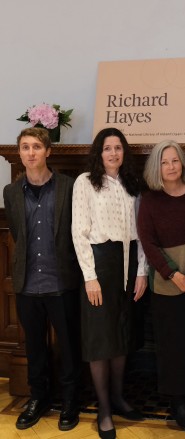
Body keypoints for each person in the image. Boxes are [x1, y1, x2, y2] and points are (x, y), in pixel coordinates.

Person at [3, 127, 82, 431]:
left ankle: (71, 401)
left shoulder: (68, 187)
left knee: (69, 346)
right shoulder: (11, 192)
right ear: (20, 153)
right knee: (34, 347)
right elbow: (16, 233)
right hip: (27, 284)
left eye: (37, 147)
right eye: (25, 147)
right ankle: (39, 398)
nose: (31, 153)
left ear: (48, 151)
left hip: (61, 282)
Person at [72, 127, 147, 439]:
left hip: (129, 264)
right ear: (98, 152)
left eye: (118, 148)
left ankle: (117, 397)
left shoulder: (133, 185)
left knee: (121, 333)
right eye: (107, 148)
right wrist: (90, 277)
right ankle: (103, 408)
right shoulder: (85, 183)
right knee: (100, 339)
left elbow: (142, 232)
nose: (113, 153)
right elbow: (79, 232)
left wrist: (141, 271)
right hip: (100, 264)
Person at [137, 140, 185, 434]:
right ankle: (178, 404)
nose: (170, 167)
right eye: (164, 162)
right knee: (174, 348)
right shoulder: (150, 200)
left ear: (183, 163)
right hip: (169, 288)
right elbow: (149, 244)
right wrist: (175, 275)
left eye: (174, 160)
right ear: (156, 167)